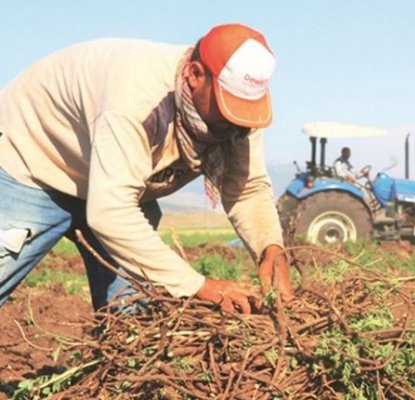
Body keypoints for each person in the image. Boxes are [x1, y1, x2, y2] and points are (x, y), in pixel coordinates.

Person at [0, 23, 293, 314]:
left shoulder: (239, 115)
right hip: (33, 164)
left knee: (129, 315)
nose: (233, 123)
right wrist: (199, 285)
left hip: (118, 189)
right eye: (225, 106)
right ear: (194, 75)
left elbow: (247, 188)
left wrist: (271, 249)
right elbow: (111, 212)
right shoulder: (137, 99)